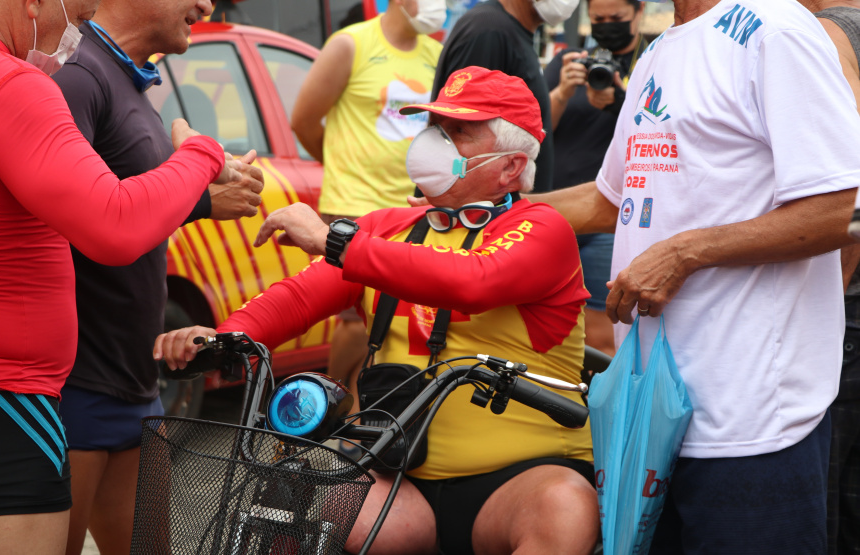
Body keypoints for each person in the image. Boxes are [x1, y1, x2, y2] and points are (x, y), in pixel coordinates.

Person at [157, 67, 599, 555]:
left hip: (523, 479)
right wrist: (222, 337)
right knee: (323, 500)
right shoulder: (386, 227)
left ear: (512, 166)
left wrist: (334, 240)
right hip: (398, 472)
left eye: (459, 132)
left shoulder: (543, 228)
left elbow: (475, 280)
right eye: (435, 128)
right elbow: (300, 297)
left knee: (566, 506)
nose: (436, 140)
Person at [532, 0, 860, 552]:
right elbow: (607, 198)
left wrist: (684, 252)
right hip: (653, 418)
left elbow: (833, 210)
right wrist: (498, 211)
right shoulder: (660, 51)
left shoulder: (775, 30)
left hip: (752, 423)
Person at [0, 0, 242, 552]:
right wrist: (201, 154)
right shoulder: (8, 81)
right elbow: (114, 223)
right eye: (78, 15)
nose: (73, 36)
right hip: (0, 401)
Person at [50, 0, 265, 553]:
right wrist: (197, 197)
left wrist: (206, 192)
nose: (206, 5)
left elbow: (127, 196)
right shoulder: (79, 76)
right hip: (75, 388)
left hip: (137, 383)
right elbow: (64, 214)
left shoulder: (130, 80)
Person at [291, 0, 444, 411]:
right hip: (353, 206)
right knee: (354, 322)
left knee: (391, 322)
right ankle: (329, 401)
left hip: (412, 210)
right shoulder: (350, 44)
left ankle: (362, 415)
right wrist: (341, 165)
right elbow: (304, 119)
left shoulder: (436, 54)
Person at [545, 0, 647, 357]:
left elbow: (660, 134)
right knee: (550, 323)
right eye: (597, 19)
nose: (606, 26)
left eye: (616, 19)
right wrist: (560, 94)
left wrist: (619, 100)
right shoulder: (568, 62)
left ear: (639, 12)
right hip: (560, 213)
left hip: (611, 222)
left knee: (603, 337)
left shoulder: (651, 66)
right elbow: (536, 135)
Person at [795, 4, 860, 553]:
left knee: (829, 500)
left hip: (848, 313)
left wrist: (828, 298)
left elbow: (845, 197)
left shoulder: (830, 33)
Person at [429, 0, 580, 195]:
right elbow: (457, 136)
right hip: (477, 219)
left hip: (506, 218)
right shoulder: (489, 30)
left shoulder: (510, 31)